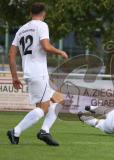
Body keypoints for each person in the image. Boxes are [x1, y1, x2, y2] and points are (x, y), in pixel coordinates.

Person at [7, 2, 68, 146]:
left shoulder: (21, 29)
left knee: (59, 101)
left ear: (30, 13)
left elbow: (11, 55)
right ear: (44, 13)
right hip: (38, 73)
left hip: (31, 73)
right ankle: (15, 131)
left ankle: (44, 131)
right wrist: (60, 52)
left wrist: (15, 77)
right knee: (42, 109)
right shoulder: (42, 25)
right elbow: (45, 46)